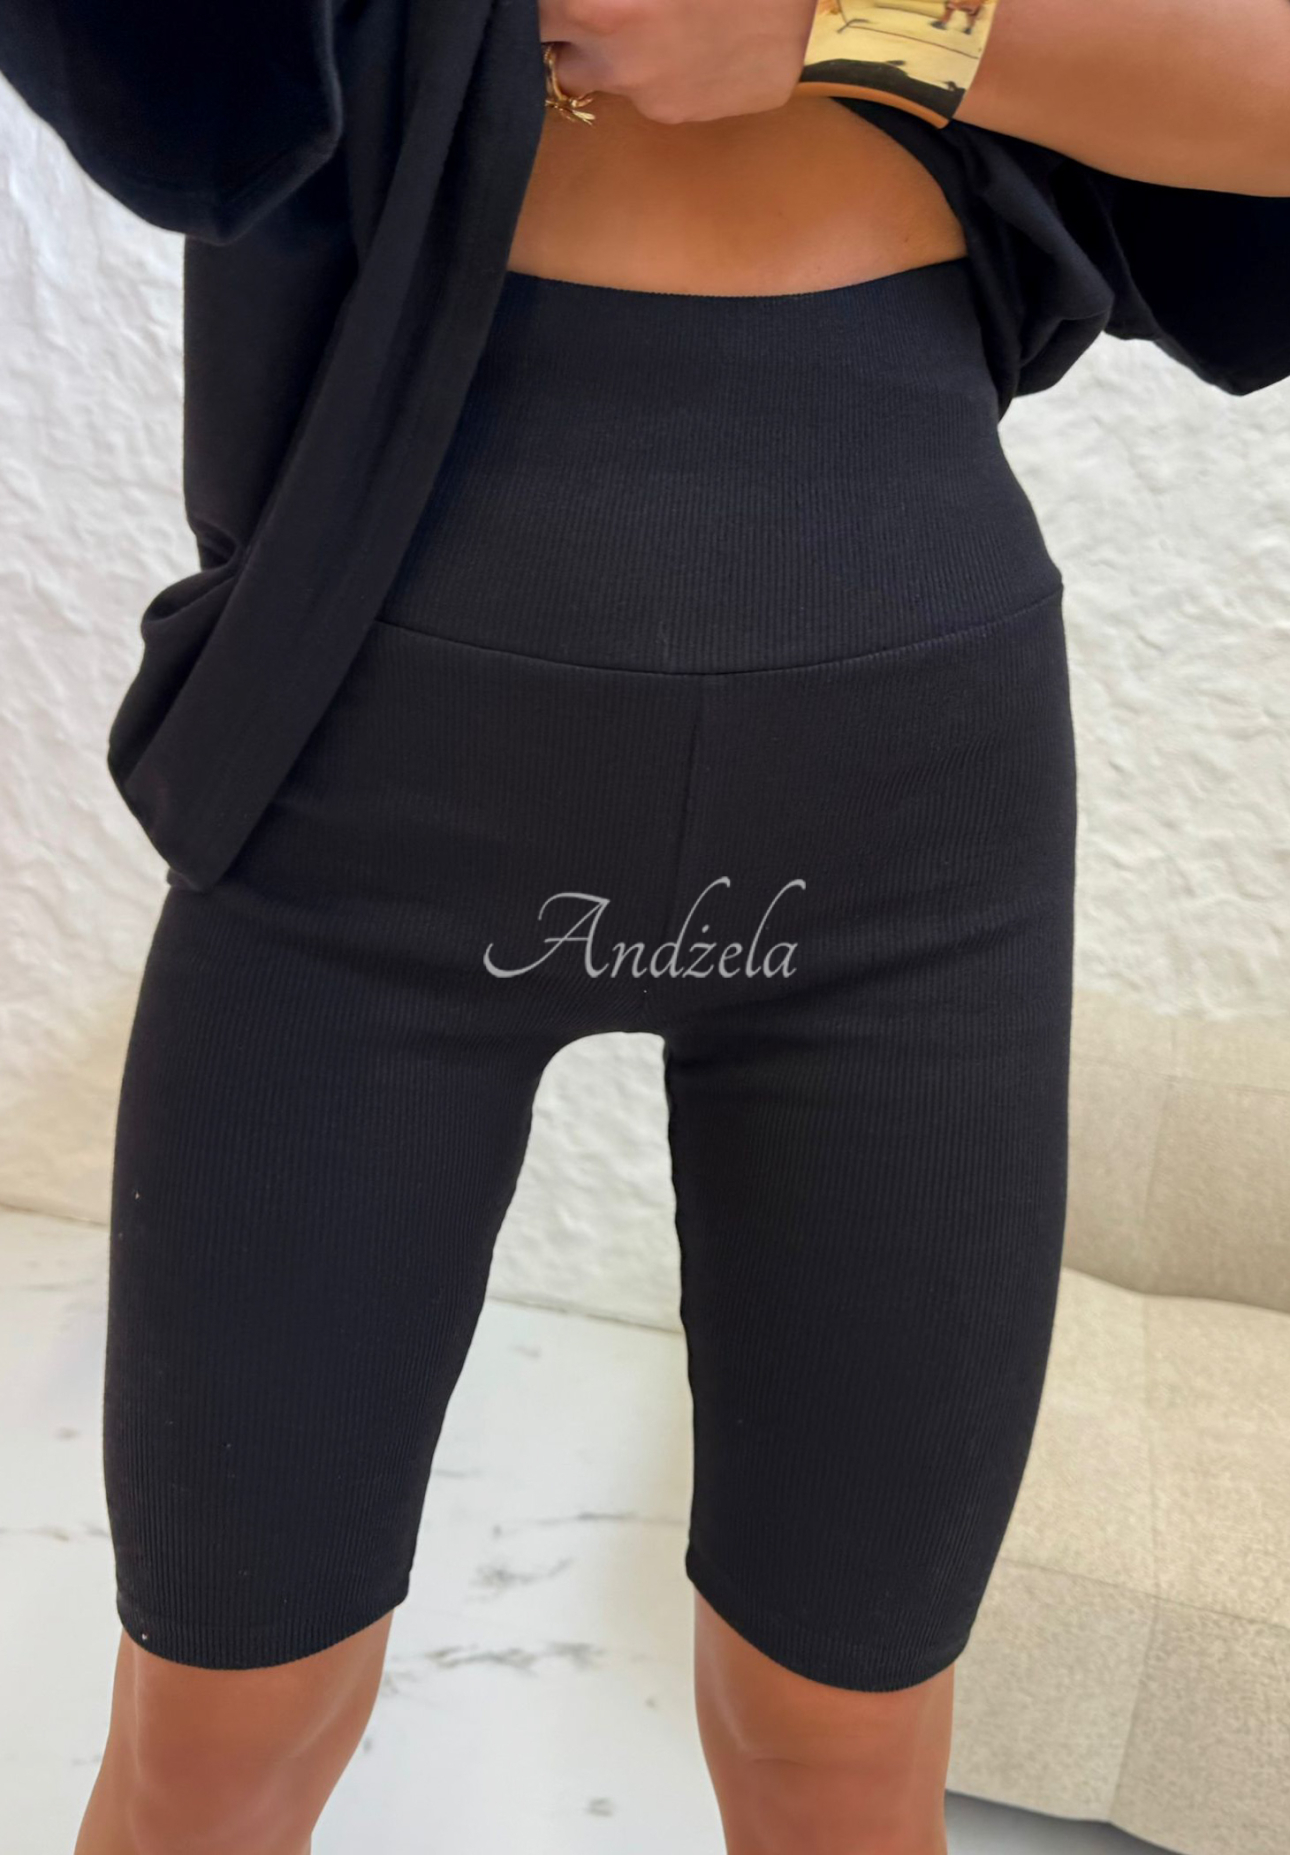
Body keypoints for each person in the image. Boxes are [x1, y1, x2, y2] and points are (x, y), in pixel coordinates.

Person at [0, 1, 1280, 1852]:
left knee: (840, 1754)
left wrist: (842, 23)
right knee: (214, 1737)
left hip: (903, 826)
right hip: (363, 786)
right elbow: (171, 90)